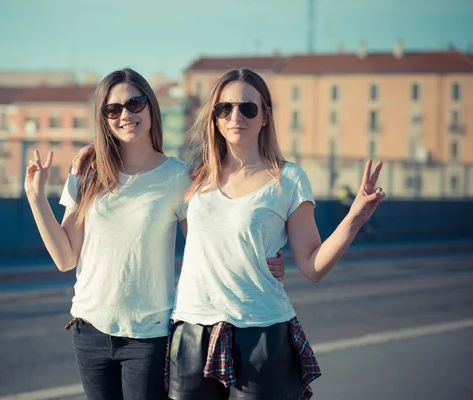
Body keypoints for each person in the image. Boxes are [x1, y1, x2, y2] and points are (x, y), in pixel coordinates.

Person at [25, 68, 286, 400]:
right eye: (113, 109)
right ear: (103, 118)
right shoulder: (88, 173)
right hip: (88, 330)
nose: (126, 115)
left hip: (149, 337)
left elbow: (211, 246)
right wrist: (35, 198)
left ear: (150, 107)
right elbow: (64, 258)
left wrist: (264, 263)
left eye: (135, 104)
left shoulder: (179, 177)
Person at [166, 68, 385, 400]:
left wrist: (355, 217)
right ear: (214, 117)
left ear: (265, 115)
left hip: (261, 333)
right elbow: (142, 168)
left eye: (247, 108)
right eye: (225, 108)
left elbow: (312, 266)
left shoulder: (289, 179)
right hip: (192, 330)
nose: (235, 116)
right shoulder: (192, 178)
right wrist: (95, 152)